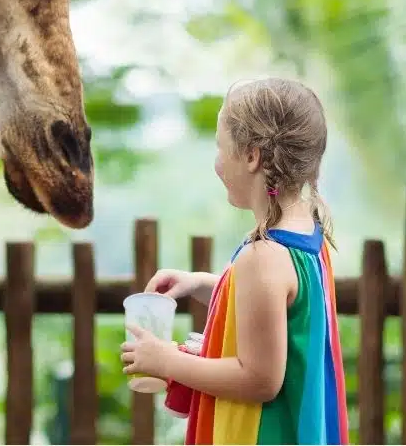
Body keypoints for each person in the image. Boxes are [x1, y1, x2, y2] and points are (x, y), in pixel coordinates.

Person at [120, 77, 349, 445]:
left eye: (220, 148)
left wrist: (166, 361)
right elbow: (282, 313)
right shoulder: (305, 233)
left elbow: (259, 379)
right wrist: (203, 284)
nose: (216, 163)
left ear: (252, 156)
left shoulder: (263, 256)